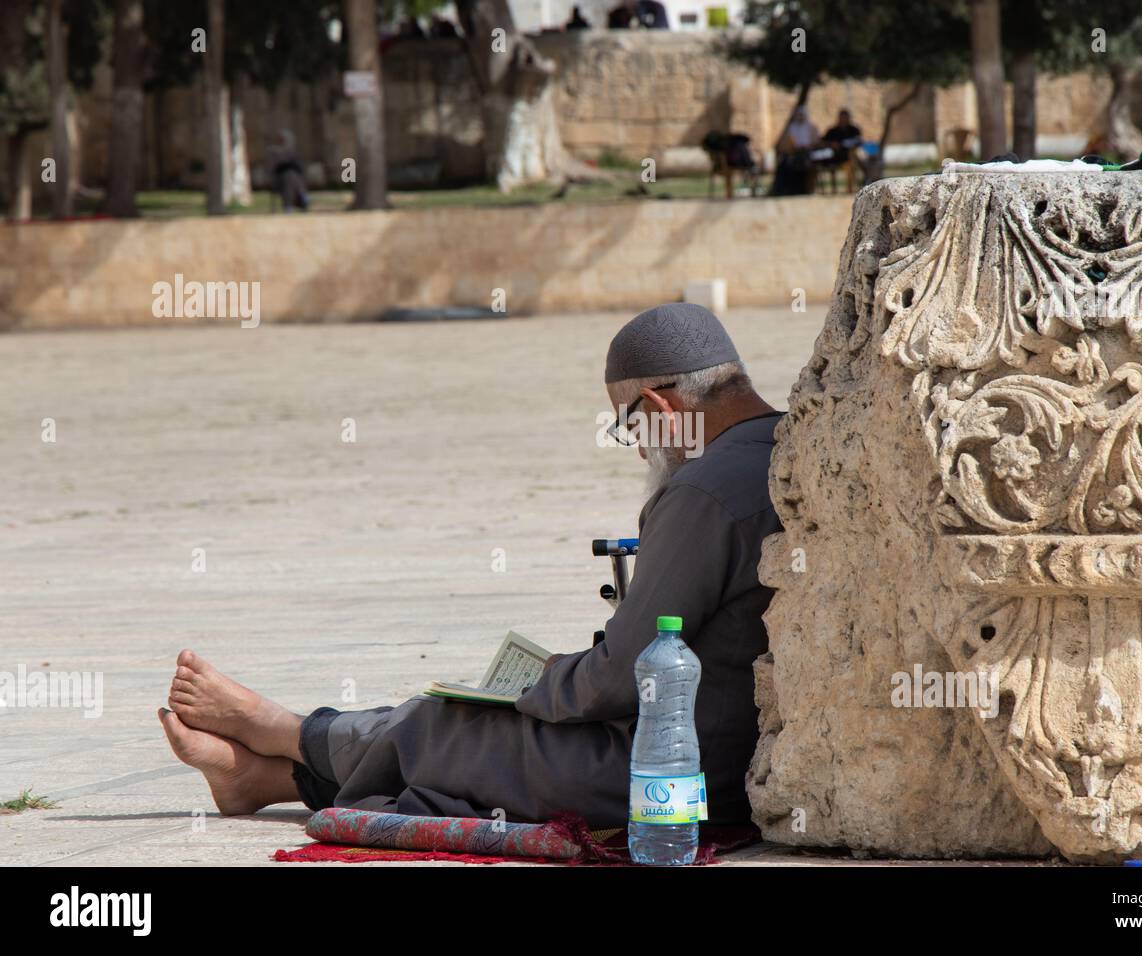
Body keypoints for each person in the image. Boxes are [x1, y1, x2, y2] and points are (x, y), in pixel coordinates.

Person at [157, 304, 784, 827]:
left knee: (448, 726)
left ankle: (282, 730)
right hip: (724, 753)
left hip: (677, 777)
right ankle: (263, 778)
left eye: (629, 426)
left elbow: (622, 677)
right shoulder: (783, 446)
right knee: (465, 734)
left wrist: (533, 689)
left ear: (660, 407)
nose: (640, 447)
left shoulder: (702, 492)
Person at [771, 105, 821, 196]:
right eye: (799, 115)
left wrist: (806, 146)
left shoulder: (811, 128)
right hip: (794, 153)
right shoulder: (792, 128)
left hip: (807, 152)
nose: (801, 117)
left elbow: (815, 142)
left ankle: (806, 189)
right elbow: (786, 144)